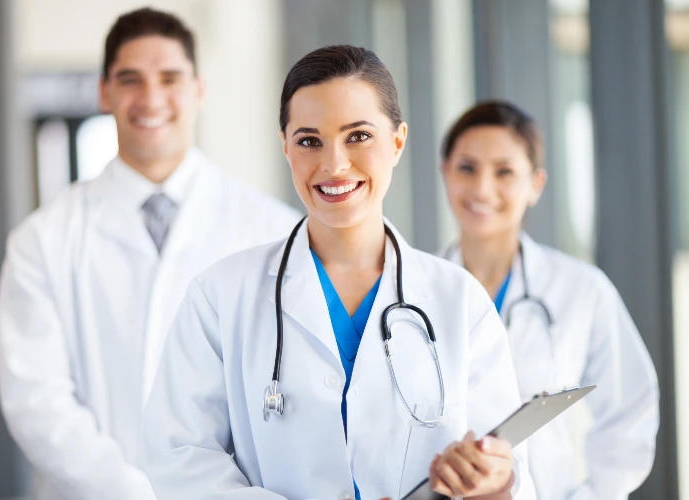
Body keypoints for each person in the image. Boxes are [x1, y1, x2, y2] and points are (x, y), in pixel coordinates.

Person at [141, 45, 536, 500]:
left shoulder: (458, 300)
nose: (334, 165)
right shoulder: (221, 295)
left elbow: (511, 472)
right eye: (310, 140)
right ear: (285, 147)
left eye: (358, 136)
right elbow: (180, 456)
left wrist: (493, 480)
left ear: (397, 141)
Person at [0, 8, 300, 500]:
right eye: (130, 79)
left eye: (170, 78)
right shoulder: (43, 239)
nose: (151, 98)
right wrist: (130, 491)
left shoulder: (273, 231)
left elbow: (290, 392)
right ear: (104, 92)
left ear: (199, 90)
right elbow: (37, 401)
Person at [439, 100, 659, 499]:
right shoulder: (417, 294)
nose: (482, 188)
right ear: (445, 173)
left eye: (504, 171)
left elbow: (630, 409)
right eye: (467, 168)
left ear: (536, 184)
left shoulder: (581, 289)